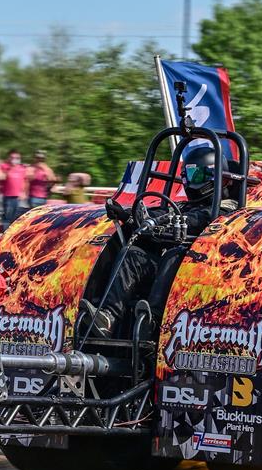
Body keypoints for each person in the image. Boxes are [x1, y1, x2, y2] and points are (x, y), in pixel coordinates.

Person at [82, 142, 227, 339]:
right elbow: (160, 213)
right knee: (132, 254)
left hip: (199, 274)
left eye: (196, 175)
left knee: (174, 255)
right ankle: (108, 317)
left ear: (214, 176)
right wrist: (129, 215)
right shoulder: (185, 206)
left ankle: (153, 324)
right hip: (166, 267)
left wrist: (165, 221)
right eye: (187, 174)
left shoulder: (225, 209)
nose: (189, 180)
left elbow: (197, 220)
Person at [0, 150, 28, 226]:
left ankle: (12, 235)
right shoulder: (4, 166)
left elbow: (24, 181)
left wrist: (24, 192)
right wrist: (10, 167)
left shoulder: (22, 168)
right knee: (7, 216)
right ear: (9, 158)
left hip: (18, 197)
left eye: (17, 158)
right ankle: (6, 235)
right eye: (12, 157)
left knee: (16, 218)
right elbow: (2, 177)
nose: (15, 159)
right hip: (8, 195)